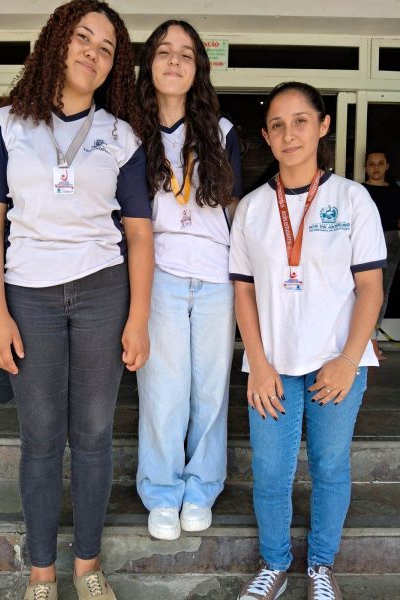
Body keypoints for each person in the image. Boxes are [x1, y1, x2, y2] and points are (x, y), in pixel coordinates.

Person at [0, 2, 154, 599]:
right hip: (29, 295)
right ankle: (42, 574)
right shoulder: (4, 126)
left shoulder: (121, 136)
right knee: (42, 436)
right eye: (83, 38)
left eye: (107, 49)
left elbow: (139, 233)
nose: (93, 53)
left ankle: (88, 568)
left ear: (114, 65)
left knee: (95, 434)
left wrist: (139, 318)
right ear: (56, 42)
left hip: (103, 289)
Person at [229, 81, 386, 600]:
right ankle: (274, 565)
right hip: (271, 365)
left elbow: (370, 288)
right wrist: (257, 362)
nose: (289, 134)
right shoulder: (252, 208)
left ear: (323, 126)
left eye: (301, 121)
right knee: (271, 471)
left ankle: (321, 566)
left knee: (330, 466)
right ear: (266, 137)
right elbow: (243, 292)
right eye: (277, 125)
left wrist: (348, 359)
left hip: (337, 363)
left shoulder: (353, 199)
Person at [135, 20, 243, 540]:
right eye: (164, 51)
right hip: (159, 272)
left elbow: (233, 208)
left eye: (185, 53)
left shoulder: (221, 131)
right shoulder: (129, 130)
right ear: (149, 64)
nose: (174, 61)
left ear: (198, 67)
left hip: (216, 276)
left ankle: (201, 486)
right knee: (163, 387)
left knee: (210, 389)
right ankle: (161, 491)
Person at [362, 149, 400, 358]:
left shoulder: (396, 191)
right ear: (365, 166)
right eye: (371, 163)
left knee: (381, 292)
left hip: (391, 241)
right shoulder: (359, 191)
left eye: (380, 163)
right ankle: (364, 341)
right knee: (360, 289)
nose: (375, 168)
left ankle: (372, 339)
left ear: (387, 166)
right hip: (364, 241)